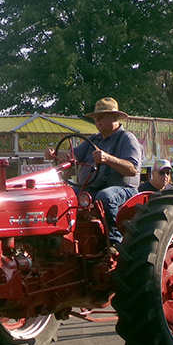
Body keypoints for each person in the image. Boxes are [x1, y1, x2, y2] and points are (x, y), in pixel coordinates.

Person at [44, 97, 142, 245]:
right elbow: (72, 156)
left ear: (115, 117)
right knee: (64, 195)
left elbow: (132, 169)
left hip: (123, 190)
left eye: (101, 117)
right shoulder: (93, 140)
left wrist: (108, 159)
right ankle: (61, 239)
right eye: (96, 118)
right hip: (91, 189)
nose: (97, 121)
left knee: (106, 197)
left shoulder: (127, 139)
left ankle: (115, 241)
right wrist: (55, 154)